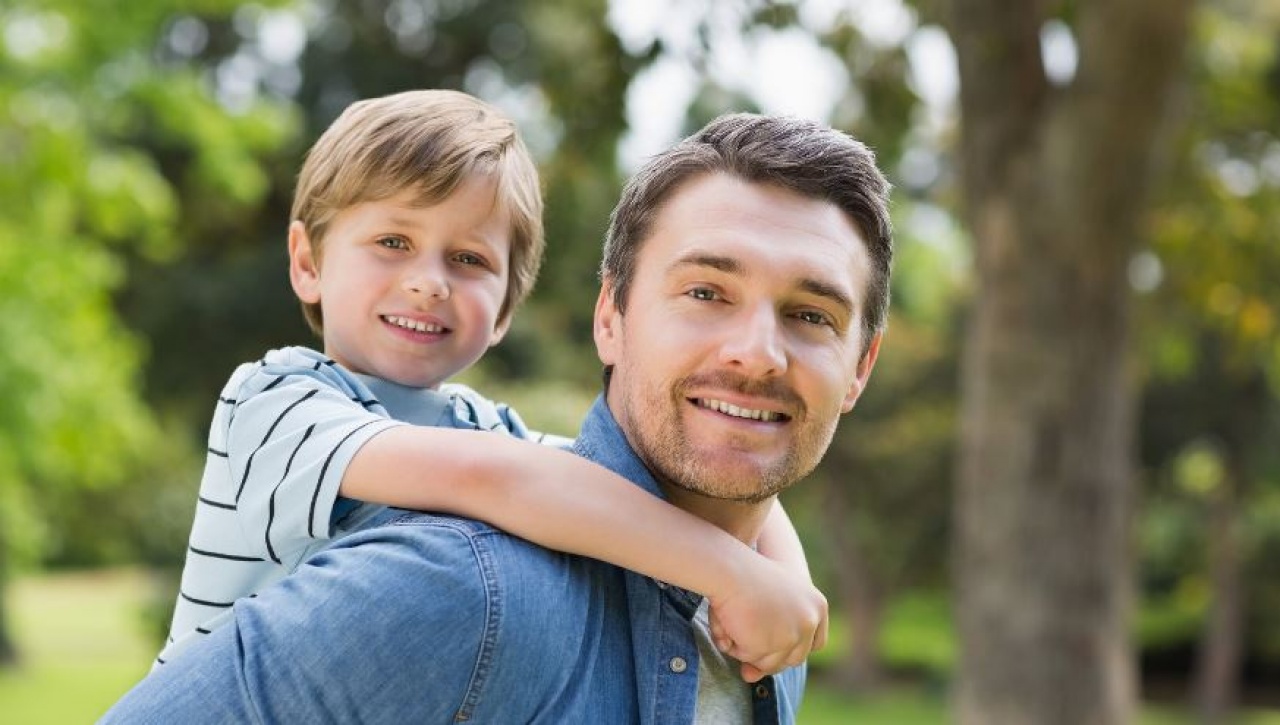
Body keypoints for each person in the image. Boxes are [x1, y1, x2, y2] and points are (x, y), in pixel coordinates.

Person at [102, 110, 892, 724]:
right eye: (706, 292)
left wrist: (778, 583)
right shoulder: (284, 405)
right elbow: (507, 482)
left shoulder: (489, 432)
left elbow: (556, 479)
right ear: (608, 316)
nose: (428, 284)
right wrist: (736, 573)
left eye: (811, 314)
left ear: (860, 366)